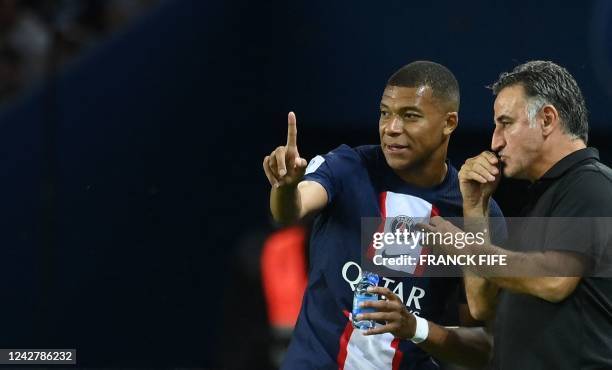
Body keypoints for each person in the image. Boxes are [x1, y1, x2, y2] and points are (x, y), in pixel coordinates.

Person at [262, 61, 505, 369]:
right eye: (385, 113)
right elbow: (292, 209)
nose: (391, 127)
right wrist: (285, 187)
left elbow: (483, 347)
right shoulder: (346, 168)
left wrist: (414, 327)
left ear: (449, 123)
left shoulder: (476, 212)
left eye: (410, 116)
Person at [423, 60, 612, 369]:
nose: (495, 141)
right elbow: (481, 304)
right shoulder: (542, 199)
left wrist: (463, 247)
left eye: (506, 123)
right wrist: (474, 207)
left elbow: (553, 280)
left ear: (547, 119)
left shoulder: (591, 185)